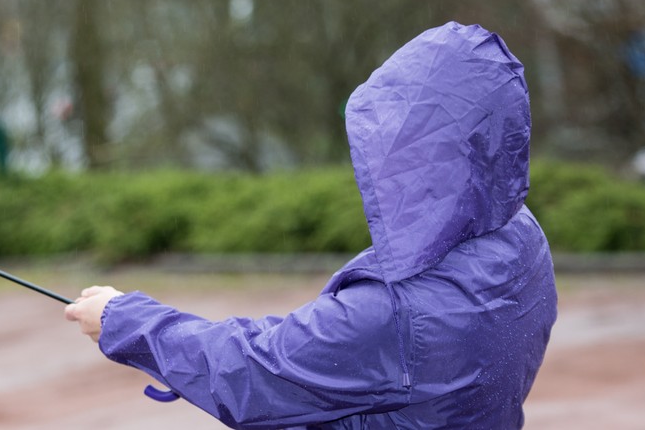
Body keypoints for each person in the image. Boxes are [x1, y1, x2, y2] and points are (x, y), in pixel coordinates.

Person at [65, 22, 557, 429]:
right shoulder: (520, 237)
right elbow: (318, 348)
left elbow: (256, 372)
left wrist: (123, 319)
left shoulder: (397, 314)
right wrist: (181, 360)